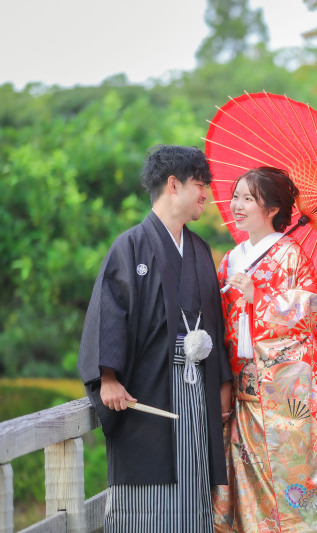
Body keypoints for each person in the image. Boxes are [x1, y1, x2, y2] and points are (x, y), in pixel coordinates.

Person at [78, 145, 232, 532]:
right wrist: (108, 376)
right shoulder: (129, 246)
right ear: (173, 184)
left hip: (196, 387)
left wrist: (224, 381)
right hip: (149, 387)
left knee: (193, 478)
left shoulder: (198, 249)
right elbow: (108, 312)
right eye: (200, 184)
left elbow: (215, 322)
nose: (206, 195)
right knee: (148, 492)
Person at [211, 167, 317, 532]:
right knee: (245, 482)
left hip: (285, 395)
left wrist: (261, 297)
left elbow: (314, 310)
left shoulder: (292, 256)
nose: (237, 205)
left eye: (247, 199)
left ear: (271, 208)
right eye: (235, 196)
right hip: (241, 390)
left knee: (292, 479)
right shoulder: (230, 260)